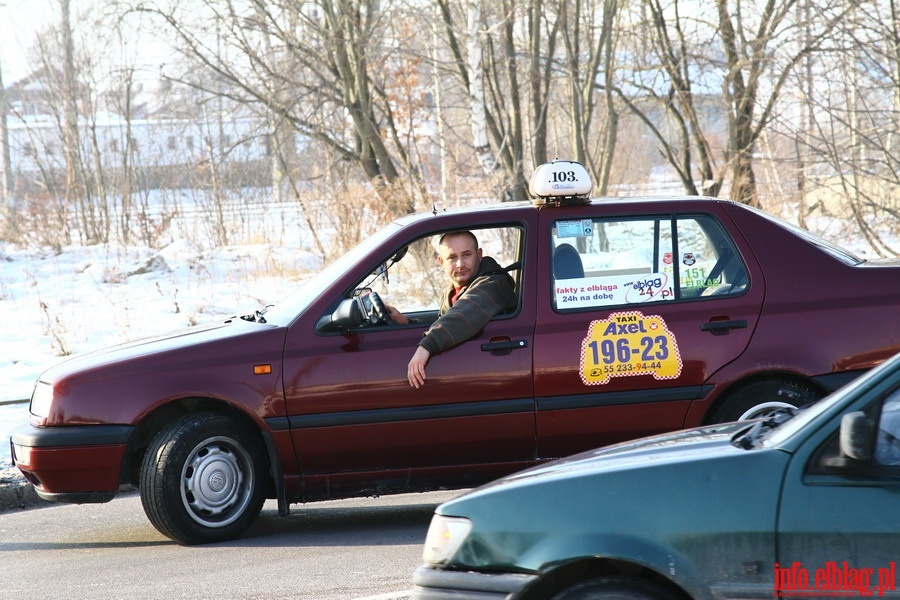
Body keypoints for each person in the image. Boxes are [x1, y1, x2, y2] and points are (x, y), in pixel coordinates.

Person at [388, 231, 517, 389]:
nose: (460, 264)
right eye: (452, 257)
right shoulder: (453, 292)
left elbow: (462, 315)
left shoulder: (493, 285)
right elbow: (443, 322)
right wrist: (405, 323)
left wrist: (427, 346)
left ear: (479, 254)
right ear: (441, 261)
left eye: (466, 255)